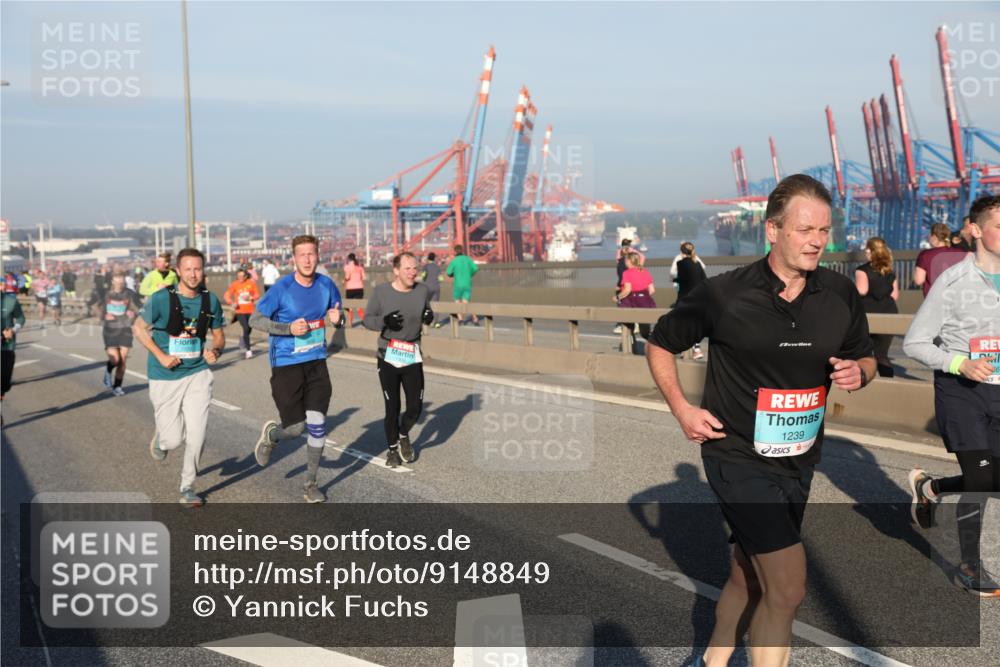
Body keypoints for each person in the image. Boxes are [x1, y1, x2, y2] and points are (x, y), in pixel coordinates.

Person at [645, 174, 876, 666]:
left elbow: (866, 355)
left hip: (798, 459)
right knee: (788, 587)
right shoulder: (724, 294)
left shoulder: (839, 292)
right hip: (736, 456)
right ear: (773, 230)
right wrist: (682, 409)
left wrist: (861, 371)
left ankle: (711, 660)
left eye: (824, 230)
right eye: (804, 229)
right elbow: (661, 342)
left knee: (748, 574)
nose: (816, 241)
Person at [903, 194, 1000, 597]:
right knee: (979, 480)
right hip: (961, 391)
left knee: (994, 479)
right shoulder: (952, 282)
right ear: (975, 230)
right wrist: (959, 363)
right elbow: (914, 342)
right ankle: (969, 568)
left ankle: (931, 489)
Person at [250, 235, 342, 504]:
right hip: (286, 364)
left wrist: (340, 319)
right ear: (293, 259)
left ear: (318, 256)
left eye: (311, 254)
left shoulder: (326, 284)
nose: (307, 259)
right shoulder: (282, 288)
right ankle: (272, 435)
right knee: (295, 429)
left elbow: (339, 314)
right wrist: (287, 328)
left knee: (318, 425)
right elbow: (255, 319)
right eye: (302, 255)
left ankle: (310, 483)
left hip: (316, 362)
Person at [132, 248, 225, 508]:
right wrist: (161, 356)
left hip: (197, 373)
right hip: (165, 375)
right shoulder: (162, 298)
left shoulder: (210, 301)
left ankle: (187, 487)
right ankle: (163, 438)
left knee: (197, 434)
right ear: (178, 271)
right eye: (188, 269)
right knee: (173, 439)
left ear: (203, 271)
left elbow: (219, 335)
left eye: (198, 269)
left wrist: (216, 351)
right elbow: (138, 328)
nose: (193, 274)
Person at [363, 252, 434, 467]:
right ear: (396, 271)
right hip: (388, 355)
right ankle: (392, 450)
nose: (413, 272)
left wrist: (429, 316)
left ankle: (403, 434)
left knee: (415, 406)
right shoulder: (381, 292)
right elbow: (367, 320)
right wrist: (385, 322)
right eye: (407, 268)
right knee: (392, 406)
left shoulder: (422, 290)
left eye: (415, 268)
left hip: (412, 353)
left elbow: (427, 311)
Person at [90, 270, 143, 396]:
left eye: (122, 281)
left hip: (125, 328)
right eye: (117, 281)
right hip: (110, 329)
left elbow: (139, 308)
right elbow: (94, 306)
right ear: (112, 281)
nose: (120, 283)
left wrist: (133, 313)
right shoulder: (105, 293)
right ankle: (108, 371)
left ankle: (117, 386)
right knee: (115, 360)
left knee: (122, 361)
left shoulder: (130, 293)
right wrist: (103, 316)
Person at [855, 237, 899, 378]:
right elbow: (895, 295)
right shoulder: (889, 271)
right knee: (882, 354)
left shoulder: (862, 271)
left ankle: (862, 380)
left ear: (870, 251)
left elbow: (862, 290)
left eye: (866, 248)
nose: (865, 251)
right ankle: (888, 381)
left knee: (863, 353)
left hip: (868, 314)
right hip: (889, 313)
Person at [615, 252, 656, 355]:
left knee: (629, 328)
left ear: (629, 261)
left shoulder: (627, 273)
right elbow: (652, 290)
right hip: (645, 303)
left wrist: (617, 297)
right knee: (645, 332)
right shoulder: (645, 271)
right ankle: (657, 346)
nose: (625, 262)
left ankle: (633, 350)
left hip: (631, 303)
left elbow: (627, 290)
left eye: (626, 260)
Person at [674, 241, 708, 360]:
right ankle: (696, 349)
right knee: (694, 323)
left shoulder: (680, 263)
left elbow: (683, 280)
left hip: (686, 297)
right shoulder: (697, 263)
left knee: (682, 322)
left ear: (681, 252)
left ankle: (685, 349)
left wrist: (675, 280)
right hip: (698, 297)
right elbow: (704, 279)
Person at [914, 222, 969, 296]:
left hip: (934, 298)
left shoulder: (925, 255)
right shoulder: (961, 253)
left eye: (929, 235)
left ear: (934, 236)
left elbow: (919, 280)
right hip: (956, 297)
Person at [224, 268, 261, 359]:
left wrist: (251, 298)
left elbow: (257, 294)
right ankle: (248, 350)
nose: (240, 277)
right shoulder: (235, 284)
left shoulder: (251, 283)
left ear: (246, 276)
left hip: (250, 310)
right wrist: (231, 303)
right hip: (240, 311)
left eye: (242, 276)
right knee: (245, 327)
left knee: (249, 329)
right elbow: (227, 295)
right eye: (238, 276)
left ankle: (243, 337)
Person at [1, 289, 26, 413]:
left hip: (6, 346)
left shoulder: (10, 301)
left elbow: (21, 319)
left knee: (4, 384)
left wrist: (13, 330)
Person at [446, 244, 479, 325]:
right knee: (466, 303)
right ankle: (475, 318)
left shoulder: (454, 261)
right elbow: (475, 268)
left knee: (457, 302)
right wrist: (470, 274)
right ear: (462, 250)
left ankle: (460, 319)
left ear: (455, 252)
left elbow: (448, 272)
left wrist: (453, 274)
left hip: (457, 284)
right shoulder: (468, 259)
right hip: (467, 283)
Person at [343, 253, 367, 327]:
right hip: (359, 288)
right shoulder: (359, 267)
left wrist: (344, 280)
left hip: (350, 289)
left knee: (349, 307)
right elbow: (364, 278)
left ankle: (350, 324)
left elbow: (347, 277)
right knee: (359, 307)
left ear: (348, 259)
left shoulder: (347, 267)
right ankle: (366, 322)